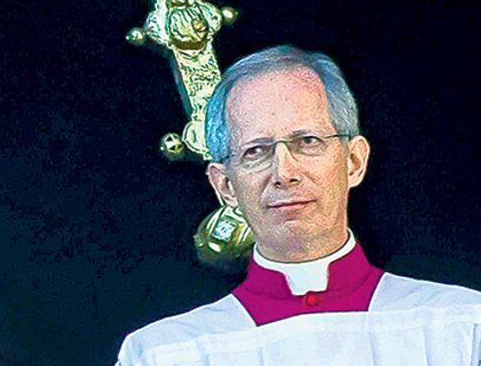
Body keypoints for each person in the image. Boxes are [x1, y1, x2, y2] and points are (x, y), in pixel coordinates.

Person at [115, 45, 481, 366]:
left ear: (354, 161)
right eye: (255, 151)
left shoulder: (461, 327)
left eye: (307, 142)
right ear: (224, 184)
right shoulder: (165, 355)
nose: (284, 173)